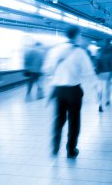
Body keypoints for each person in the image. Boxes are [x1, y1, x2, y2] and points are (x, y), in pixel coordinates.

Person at [42, 25, 98, 159]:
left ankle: (55, 147)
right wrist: (95, 89)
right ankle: (71, 150)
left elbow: (47, 69)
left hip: (59, 91)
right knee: (74, 121)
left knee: (59, 119)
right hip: (73, 90)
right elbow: (89, 72)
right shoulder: (79, 52)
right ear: (77, 36)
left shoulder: (54, 51)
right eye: (80, 36)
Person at [95, 38, 112, 112]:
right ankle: (108, 100)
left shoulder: (100, 51)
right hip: (108, 72)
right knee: (108, 87)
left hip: (100, 73)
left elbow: (96, 62)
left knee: (100, 89)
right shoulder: (111, 53)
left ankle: (100, 104)